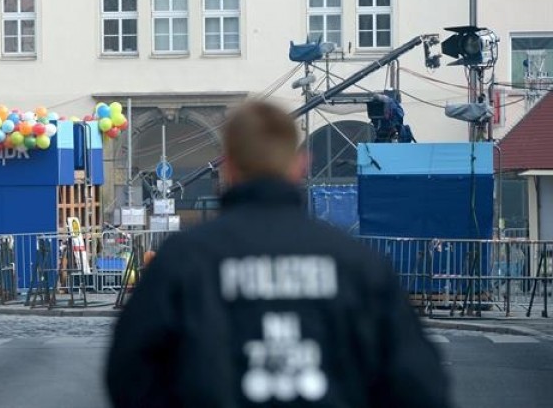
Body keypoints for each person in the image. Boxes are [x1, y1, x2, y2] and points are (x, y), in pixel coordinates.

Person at [106, 101, 451, 408]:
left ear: (228, 167)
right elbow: (419, 385)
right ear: (300, 164)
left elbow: (128, 373)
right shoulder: (357, 265)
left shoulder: (183, 261)